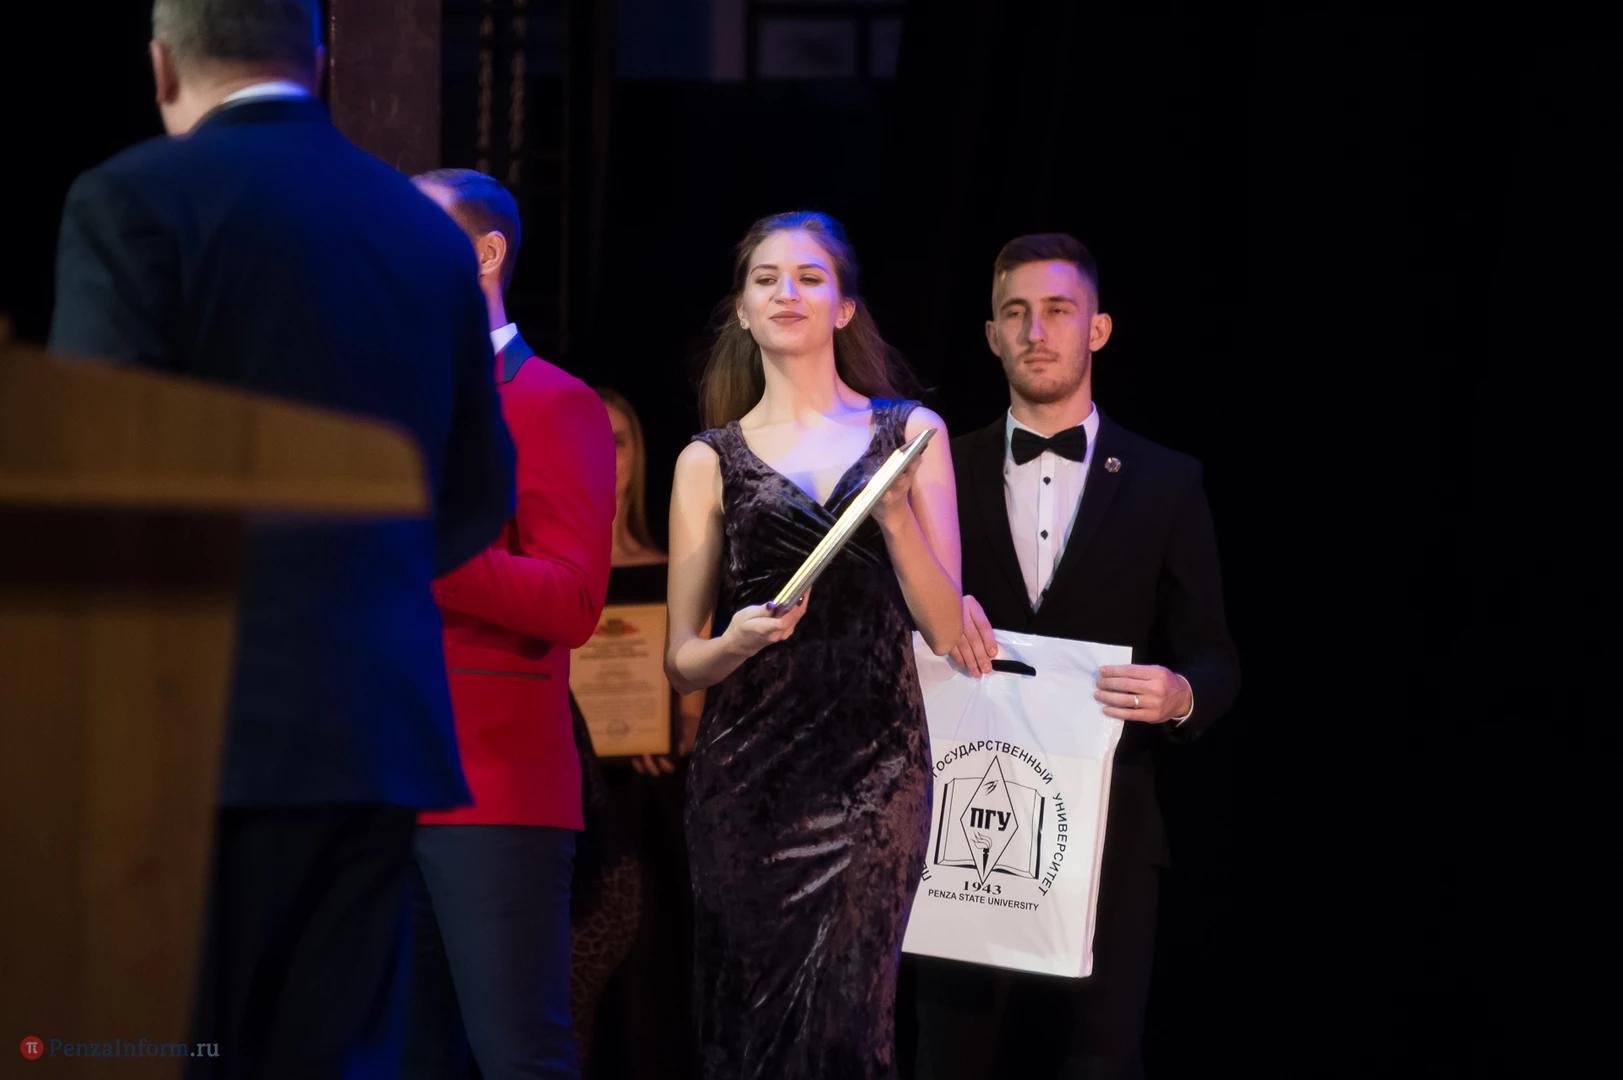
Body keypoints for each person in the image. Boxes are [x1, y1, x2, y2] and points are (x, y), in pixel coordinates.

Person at [46, 2, 516, 1076]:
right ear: (319, 57)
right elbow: (477, 492)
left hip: (187, 731)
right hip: (374, 726)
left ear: (162, 67)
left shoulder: (131, 200)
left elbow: (96, 484)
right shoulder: (423, 233)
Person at [907, 234, 1241, 1080]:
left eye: (1057, 310)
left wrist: (1178, 695)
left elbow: (1215, 657)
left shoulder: (1166, 481)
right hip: (964, 829)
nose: (1036, 331)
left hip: (1111, 831)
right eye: (1015, 313)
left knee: (1100, 1062)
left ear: (1097, 328)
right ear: (991, 335)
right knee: (951, 1061)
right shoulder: (938, 471)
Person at [665, 210, 964, 1079]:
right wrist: (733, 642)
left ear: (844, 307)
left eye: (808, 277)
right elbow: (679, 660)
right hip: (745, 782)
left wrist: (896, 519)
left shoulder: (910, 434)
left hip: (875, 772)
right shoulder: (706, 460)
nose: (785, 292)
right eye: (765, 279)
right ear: (742, 310)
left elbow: (946, 629)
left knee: (849, 1027)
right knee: (746, 1028)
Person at [405, 168, 617, 1079]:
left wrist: (421, 548)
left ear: (486, 253)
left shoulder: (551, 401)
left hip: (490, 787)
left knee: (517, 1056)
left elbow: (572, 599)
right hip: (376, 781)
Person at [576, 387, 706, 1079]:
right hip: (567, 804)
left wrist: (675, 730)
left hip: (645, 807)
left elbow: (696, 703)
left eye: (619, 439)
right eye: (588, 436)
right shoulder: (543, 574)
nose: (605, 452)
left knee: (646, 996)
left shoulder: (673, 571)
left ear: (638, 457)